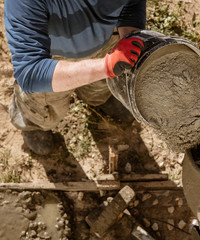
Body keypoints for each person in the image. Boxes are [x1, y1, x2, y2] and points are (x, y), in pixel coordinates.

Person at [4, 0, 146, 155]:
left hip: (106, 41)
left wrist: (129, 34)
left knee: (102, 86)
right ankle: (34, 124)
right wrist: (106, 67)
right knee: (41, 106)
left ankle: (96, 99)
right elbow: (31, 72)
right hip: (50, 58)